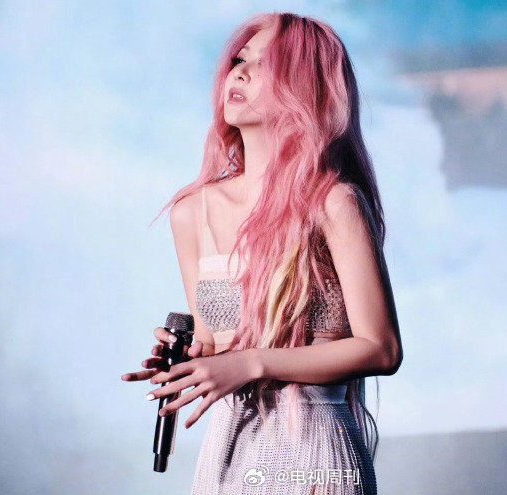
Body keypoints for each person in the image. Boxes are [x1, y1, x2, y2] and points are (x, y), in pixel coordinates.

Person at [121, 11, 402, 494]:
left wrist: (253, 362)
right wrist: (189, 360)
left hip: (316, 451)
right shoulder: (192, 212)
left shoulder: (333, 203)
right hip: (229, 449)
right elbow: (216, 342)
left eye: (265, 63)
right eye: (239, 60)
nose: (241, 73)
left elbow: (381, 348)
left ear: (306, 88)